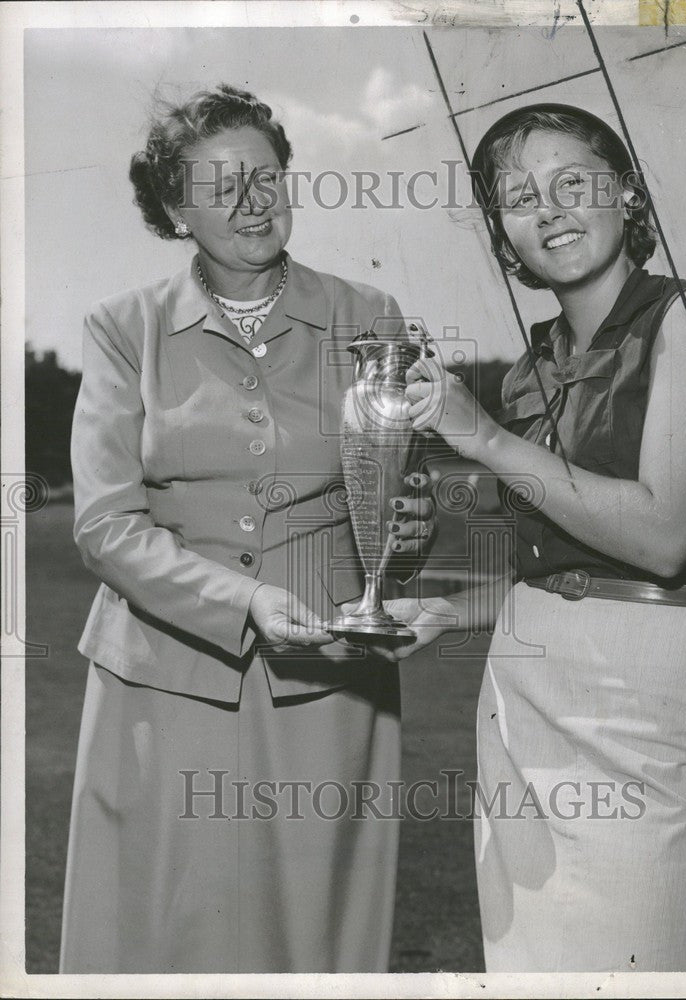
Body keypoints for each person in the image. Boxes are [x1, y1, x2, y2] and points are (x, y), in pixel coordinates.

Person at [61, 83, 433, 974]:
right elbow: (107, 524)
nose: (252, 202)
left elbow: (383, 504)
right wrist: (247, 598)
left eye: (266, 177)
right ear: (174, 208)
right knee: (156, 941)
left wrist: (405, 532)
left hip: (328, 679)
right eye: (221, 185)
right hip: (159, 685)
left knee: (312, 945)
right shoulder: (122, 328)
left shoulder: (368, 317)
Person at [390, 104, 686, 972]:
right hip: (523, 698)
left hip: (656, 686)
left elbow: (663, 534)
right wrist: (447, 609)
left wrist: (481, 437)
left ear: (627, 196)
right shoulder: (530, 369)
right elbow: (556, 568)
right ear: (503, 237)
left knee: (656, 961)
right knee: (530, 970)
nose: (547, 208)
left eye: (572, 183)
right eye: (518, 197)